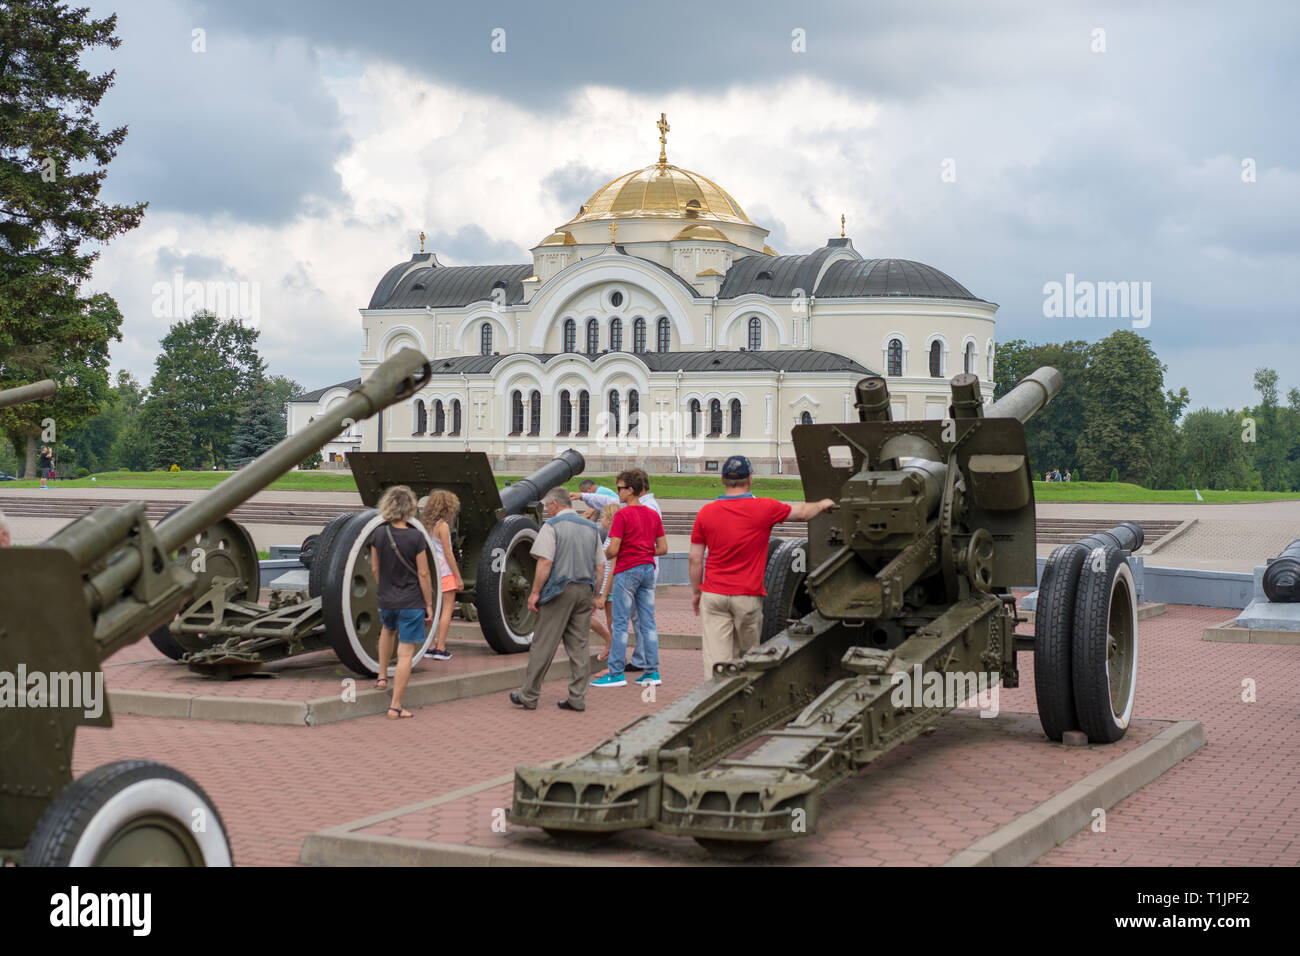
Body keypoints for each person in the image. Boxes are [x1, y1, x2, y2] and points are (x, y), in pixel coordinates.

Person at [690, 455, 836, 679]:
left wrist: (696, 591)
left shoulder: (705, 513)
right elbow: (803, 513)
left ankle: (717, 699)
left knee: (716, 665)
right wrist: (822, 504)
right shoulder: (764, 507)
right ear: (750, 479)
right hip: (747, 596)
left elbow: (695, 559)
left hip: (714, 595)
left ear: (722, 480)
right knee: (750, 661)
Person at [511, 486, 604, 711]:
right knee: (579, 645)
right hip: (584, 590)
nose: (545, 511)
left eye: (546, 506)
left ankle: (529, 694)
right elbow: (600, 566)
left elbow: (545, 562)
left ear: (554, 504)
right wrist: (595, 595)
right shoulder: (592, 528)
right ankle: (577, 697)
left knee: (544, 643)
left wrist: (534, 593)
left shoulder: (551, 526)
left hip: (558, 590)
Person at [591, 470, 667, 688]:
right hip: (647, 571)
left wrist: (598, 556)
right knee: (648, 623)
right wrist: (643, 551)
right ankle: (652, 672)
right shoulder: (652, 515)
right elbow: (663, 548)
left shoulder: (622, 515)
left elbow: (613, 549)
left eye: (620, 488)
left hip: (627, 571)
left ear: (630, 490)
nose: (618, 492)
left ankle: (616, 674)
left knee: (621, 624)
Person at [369, 485, 434, 719]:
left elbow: (375, 568)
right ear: (410, 509)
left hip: (386, 599)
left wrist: (385, 586)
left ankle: (382, 676)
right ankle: (395, 706)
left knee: (387, 631)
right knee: (406, 653)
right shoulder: (416, 538)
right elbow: (424, 574)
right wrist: (428, 604)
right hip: (411, 601)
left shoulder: (378, 535)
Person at [420, 490, 464, 662]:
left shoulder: (425, 525)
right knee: (446, 610)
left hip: (430, 571)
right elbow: (448, 553)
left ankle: (429, 645)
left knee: (431, 609)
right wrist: (458, 576)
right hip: (444, 572)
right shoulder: (443, 526)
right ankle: (441, 647)